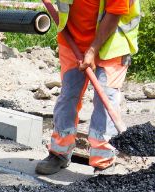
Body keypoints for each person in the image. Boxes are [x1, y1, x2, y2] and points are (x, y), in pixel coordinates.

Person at [35, 0, 141, 175]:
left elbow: (115, 12)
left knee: (105, 101)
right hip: (72, 41)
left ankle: (104, 161)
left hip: (112, 44)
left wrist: (92, 51)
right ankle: (59, 153)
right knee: (68, 96)